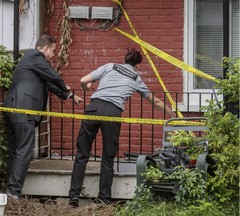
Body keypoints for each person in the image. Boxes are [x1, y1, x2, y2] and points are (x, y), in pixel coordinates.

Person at [68, 49, 175, 207]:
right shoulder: (136, 78)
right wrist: (171, 113)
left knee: (82, 154)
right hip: (112, 113)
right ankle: (103, 199)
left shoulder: (110, 66)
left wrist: (86, 88)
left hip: (93, 109)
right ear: (138, 65)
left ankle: (73, 198)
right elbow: (155, 102)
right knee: (108, 157)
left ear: (124, 60)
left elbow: (84, 80)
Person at [3, 34, 83, 199]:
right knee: (24, 151)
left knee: (15, 150)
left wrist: (69, 96)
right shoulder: (34, 55)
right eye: (53, 51)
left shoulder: (32, 63)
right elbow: (53, 76)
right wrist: (66, 88)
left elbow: (49, 84)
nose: (53, 55)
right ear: (45, 48)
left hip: (12, 108)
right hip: (24, 109)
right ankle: (12, 192)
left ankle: (8, 190)